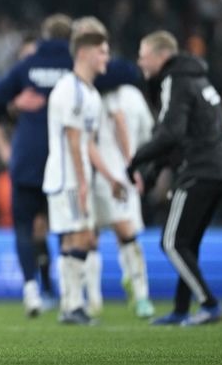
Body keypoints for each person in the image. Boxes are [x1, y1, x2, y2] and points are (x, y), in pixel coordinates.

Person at [128, 30, 222, 326]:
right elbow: (182, 137)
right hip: (221, 170)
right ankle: (180, 309)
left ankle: (210, 304)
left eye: (144, 54)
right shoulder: (197, 79)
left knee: (172, 243)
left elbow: (170, 134)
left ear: (162, 56)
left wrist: (136, 159)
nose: (140, 61)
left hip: (199, 170)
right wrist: (152, 174)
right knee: (187, 243)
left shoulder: (174, 80)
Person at [0, 14, 73, 316]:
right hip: (61, 159)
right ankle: (68, 294)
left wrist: (9, 111)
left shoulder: (25, 71)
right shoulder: (72, 67)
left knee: (30, 226)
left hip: (30, 158)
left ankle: (35, 288)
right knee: (57, 227)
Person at [42, 31, 125, 325]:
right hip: (67, 178)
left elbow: (88, 143)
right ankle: (73, 306)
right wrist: (82, 182)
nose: (106, 58)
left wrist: (111, 177)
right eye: (102, 51)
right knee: (81, 236)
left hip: (78, 177)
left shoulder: (90, 93)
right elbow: (73, 137)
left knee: (82, 238)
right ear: (85, 53)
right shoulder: (70, 90)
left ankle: (70, 304)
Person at [91, 58, 156, 319]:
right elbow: (147, 136)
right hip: (119, 173)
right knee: (125, 235)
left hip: (101, 174)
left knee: (91, 237)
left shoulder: (92, 94)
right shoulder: (133, 96)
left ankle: (92, 299)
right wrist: (135, 165)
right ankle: (139, 293)